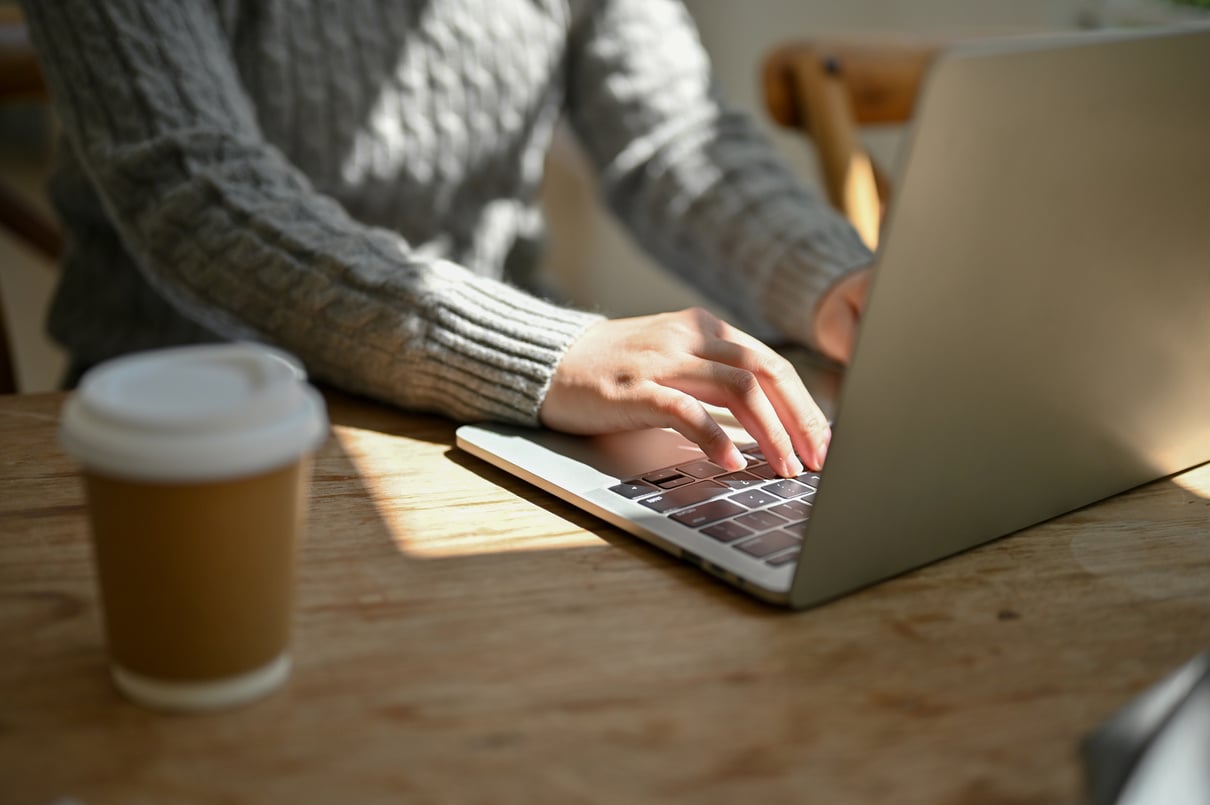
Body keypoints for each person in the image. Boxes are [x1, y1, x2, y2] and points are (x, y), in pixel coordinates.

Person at [21, 0, 873, 478]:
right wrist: (553, 350)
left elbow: (672, 133)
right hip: (189, 435)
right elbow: (189, 183)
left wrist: (833, 282)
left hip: (505, 422)